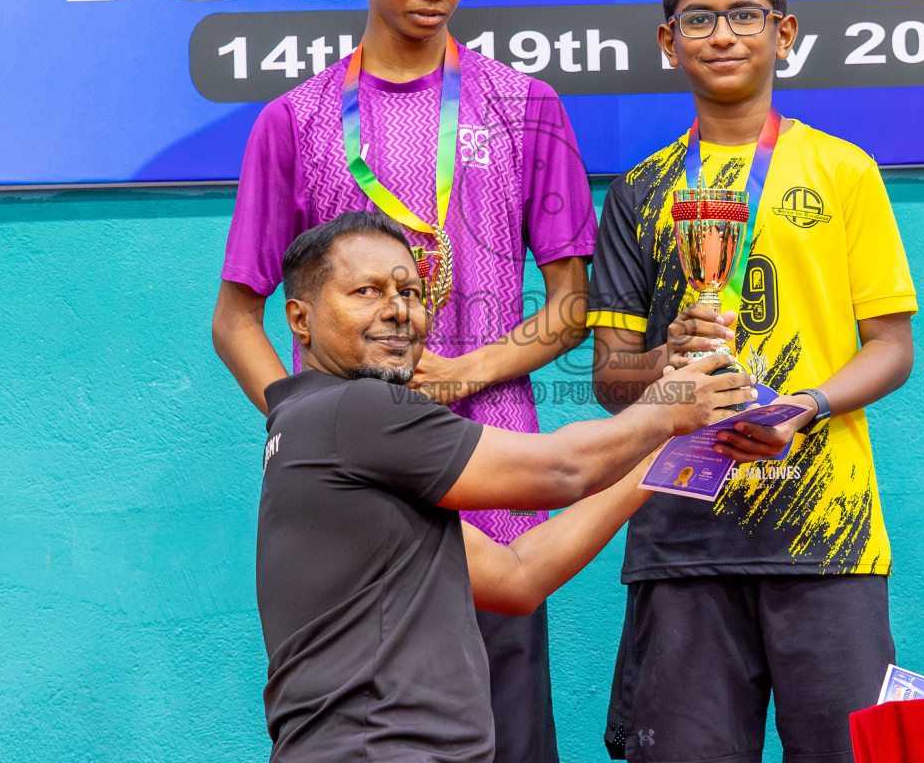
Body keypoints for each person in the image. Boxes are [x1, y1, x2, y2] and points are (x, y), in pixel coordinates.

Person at [213, 0, 597, 762]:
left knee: (506, 737)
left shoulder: (525, 107)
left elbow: (572, 304)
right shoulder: (297, 120)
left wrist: (468, 370)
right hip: (359, 503)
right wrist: (303, 419)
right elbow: (237, 318)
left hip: (495, 488)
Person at [258, 210, 792, 762]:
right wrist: (667, 409)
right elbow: (561, 471)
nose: (397, 311)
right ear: (300, 319)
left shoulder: (324, 432)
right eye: (366, 291)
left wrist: (670, 445)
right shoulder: (357, 409)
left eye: (411, 291)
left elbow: (518, 577)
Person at [586, 0, 918, 762]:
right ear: (668, 42)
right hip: (680, 532)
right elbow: (610, 380)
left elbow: (891, 347)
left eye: (745, 15)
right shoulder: (638, 193)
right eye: (699, 19)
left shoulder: (845, 173)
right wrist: (667, 366)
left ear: (785, 32)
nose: (724, 35)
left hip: (827, 537)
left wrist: (800, 409)